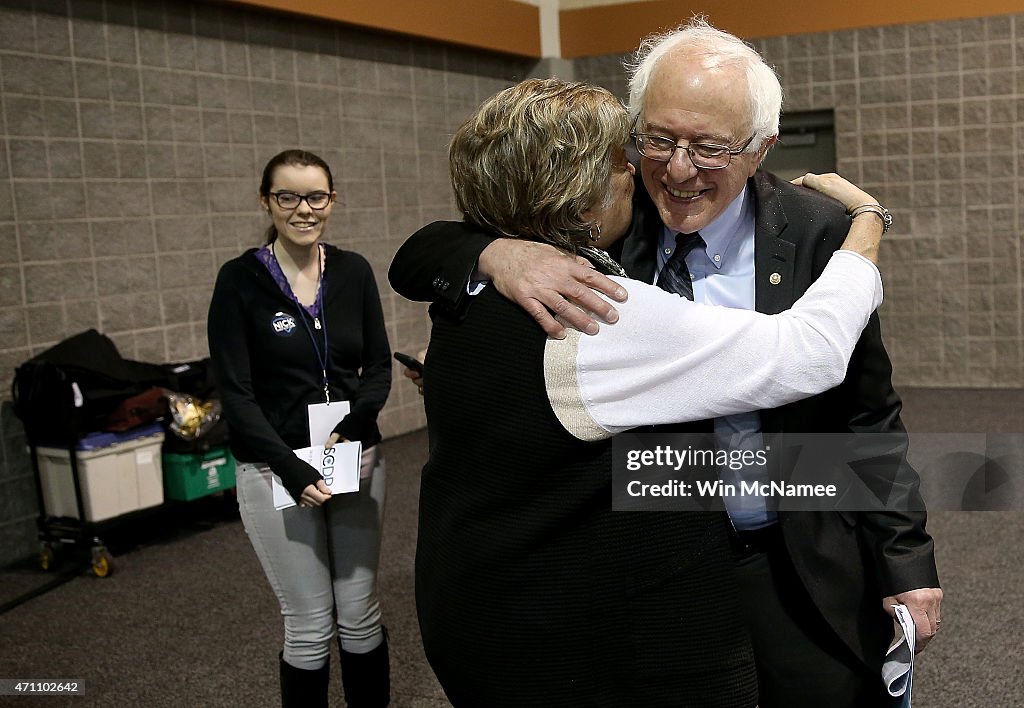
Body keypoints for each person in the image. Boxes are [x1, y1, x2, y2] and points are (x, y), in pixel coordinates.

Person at [389, 20, 942, 708]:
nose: (676, 170)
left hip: (790, 556)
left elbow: (865, 413)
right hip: (632, 595)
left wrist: (904, 558)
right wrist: (490, 250)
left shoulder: (810, 230)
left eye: (709, 147)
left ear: (760, 147)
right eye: (656, 141)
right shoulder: (589, 274)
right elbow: (426, 249)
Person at [208, 149, 392, 707]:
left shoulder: (353, 270)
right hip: (274, 467)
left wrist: (354, 428)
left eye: (316, 196)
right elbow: (235, 395)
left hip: (352, 456)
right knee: (310, 623)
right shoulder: (240, 281)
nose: (303, 209)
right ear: (266, 201)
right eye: (287, 196)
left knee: (359, 611)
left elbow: (378, 366)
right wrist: (291, 467)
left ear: (331, 201)